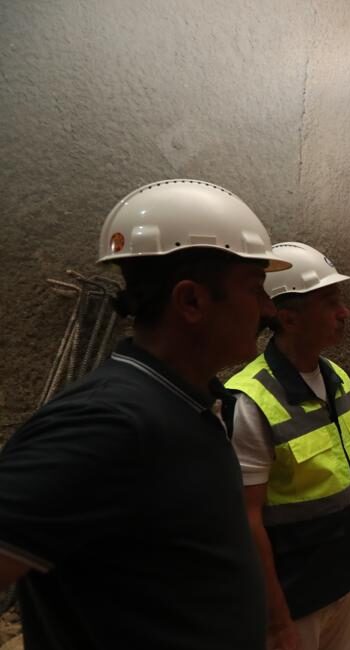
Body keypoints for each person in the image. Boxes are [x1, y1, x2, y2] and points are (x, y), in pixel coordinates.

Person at [0, 179, 291, 649]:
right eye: (255, 288)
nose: (268, 309)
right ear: (191, 301)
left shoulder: (193, 404)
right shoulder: (108, 423)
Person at [226, 242, 350, 650]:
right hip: (293, 601)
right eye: (330, 302)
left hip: (339, 581)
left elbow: (344, 472)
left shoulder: (337, 380)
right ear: (289, 319)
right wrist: (277, 624)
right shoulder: (249, 401)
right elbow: (246, 520)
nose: (344, 313)